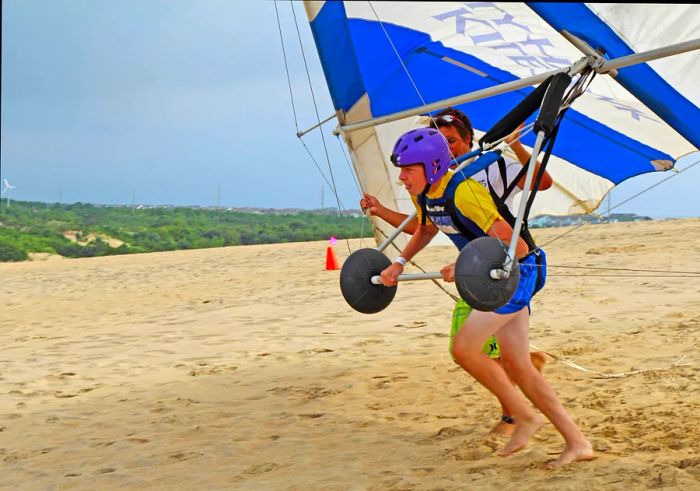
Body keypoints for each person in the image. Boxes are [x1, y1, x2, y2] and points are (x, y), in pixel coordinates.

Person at [380, 127, 592, 468]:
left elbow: (517, 246)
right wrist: (398, 264)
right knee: (518, 365)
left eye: (408, 169)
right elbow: (426, 227)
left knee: (464, 348)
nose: (402, 177)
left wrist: (466, 262)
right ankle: (578, 442)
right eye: (400, 170)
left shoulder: (464, 192)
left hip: (518, 272)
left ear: (432, 165)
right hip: (496, 274)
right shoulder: (426, 195)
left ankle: (523, 417)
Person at [361, 108, 550, 436]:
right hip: (474, 272)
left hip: (506, 266)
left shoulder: (488, 169)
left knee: (473, 348)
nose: (448, 149)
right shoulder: (431, 182)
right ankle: (523, 375)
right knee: (472, 348)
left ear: (467, 140)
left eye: (452, 141)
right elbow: (424, 226)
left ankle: (514, 417)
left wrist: (517, 145)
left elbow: (541, 183)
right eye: (441, 142)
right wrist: (384, 224)